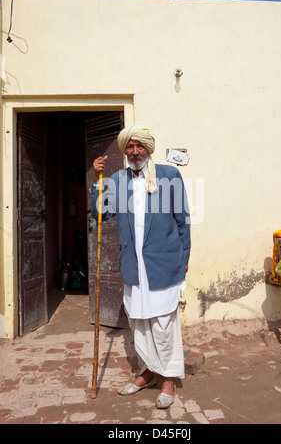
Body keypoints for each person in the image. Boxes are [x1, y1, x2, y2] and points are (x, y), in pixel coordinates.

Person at [91, 124, 191, 409]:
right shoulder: (117, 179)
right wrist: (98, 180)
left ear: (149, 148)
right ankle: (147, 372)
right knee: (139, 321)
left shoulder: (169, 176)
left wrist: (184, 259)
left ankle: (168, 379)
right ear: (125, 151)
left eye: (140, 146)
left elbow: (182, 220)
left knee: (163, 322)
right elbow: (102, 213)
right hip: (134, 265)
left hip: (164, 263)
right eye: (130, 147)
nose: (135, 152)